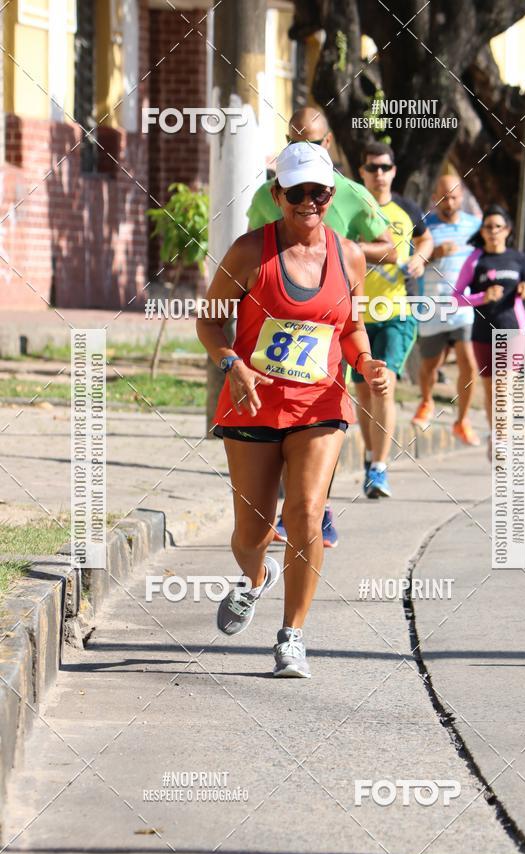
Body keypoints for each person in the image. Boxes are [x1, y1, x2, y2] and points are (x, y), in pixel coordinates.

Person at [197, 141, 387, 677]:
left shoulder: (348, 255)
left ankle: (292, 637)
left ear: (331, 195)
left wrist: (368, 363)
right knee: (250, 533)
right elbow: (210, 322)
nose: (309, 201)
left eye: (319, 193)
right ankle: (256, 578)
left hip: (321, 405)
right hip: (252, 404)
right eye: (297, 191)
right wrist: (231, 362)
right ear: (277, 194)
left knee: (305, 511)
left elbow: (349, 328)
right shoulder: (248, 252)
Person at [247, 107, 397, 543]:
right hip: (273, 321)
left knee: (321, 417)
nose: (307, 200)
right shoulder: (266, 194)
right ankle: (279, 513)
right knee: (274, 422)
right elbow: (250, 252)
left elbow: (388, 246)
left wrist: (345, 252)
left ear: (328, 145)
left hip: (329, 322)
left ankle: (317, 507)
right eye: (295, 144)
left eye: (311, 143)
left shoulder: (349, 193)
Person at [352, 142, 433, 498]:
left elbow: (426, 239)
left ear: (394, 171)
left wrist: (422, 259)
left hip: (396, 313)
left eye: (385, 167)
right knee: (363, 395)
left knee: (383, 382)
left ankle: (380, 469)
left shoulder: (406, 208)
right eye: (372, 168)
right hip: (356, 317)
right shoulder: (351, 207)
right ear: (362, 172)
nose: (379, 174)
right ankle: (371, 458)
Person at [453, 205, 525, 460]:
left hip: (514, 330)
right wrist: (482, 297)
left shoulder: (517, 257)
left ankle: (501, 439)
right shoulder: (476, 259)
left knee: (503, 387)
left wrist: (524, 289)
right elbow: (456, 298)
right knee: (491, 391)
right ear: (483, 231)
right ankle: (497, 435)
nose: (493, 231)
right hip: (483, 332)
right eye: (488, 227)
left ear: (507, 230)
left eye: (498, 227)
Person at [412, 175, 481, 446]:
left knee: (469, 363)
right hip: (432, 305)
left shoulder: (474, 227)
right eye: (443, 197)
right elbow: (411, 260)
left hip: (463, 307)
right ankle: (426, 401)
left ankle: (462, 420)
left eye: (453, 197)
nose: (448, 203)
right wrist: (435, 252)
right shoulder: (424, 226)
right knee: (430, 365)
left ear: (461, 197)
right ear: (434, 197)